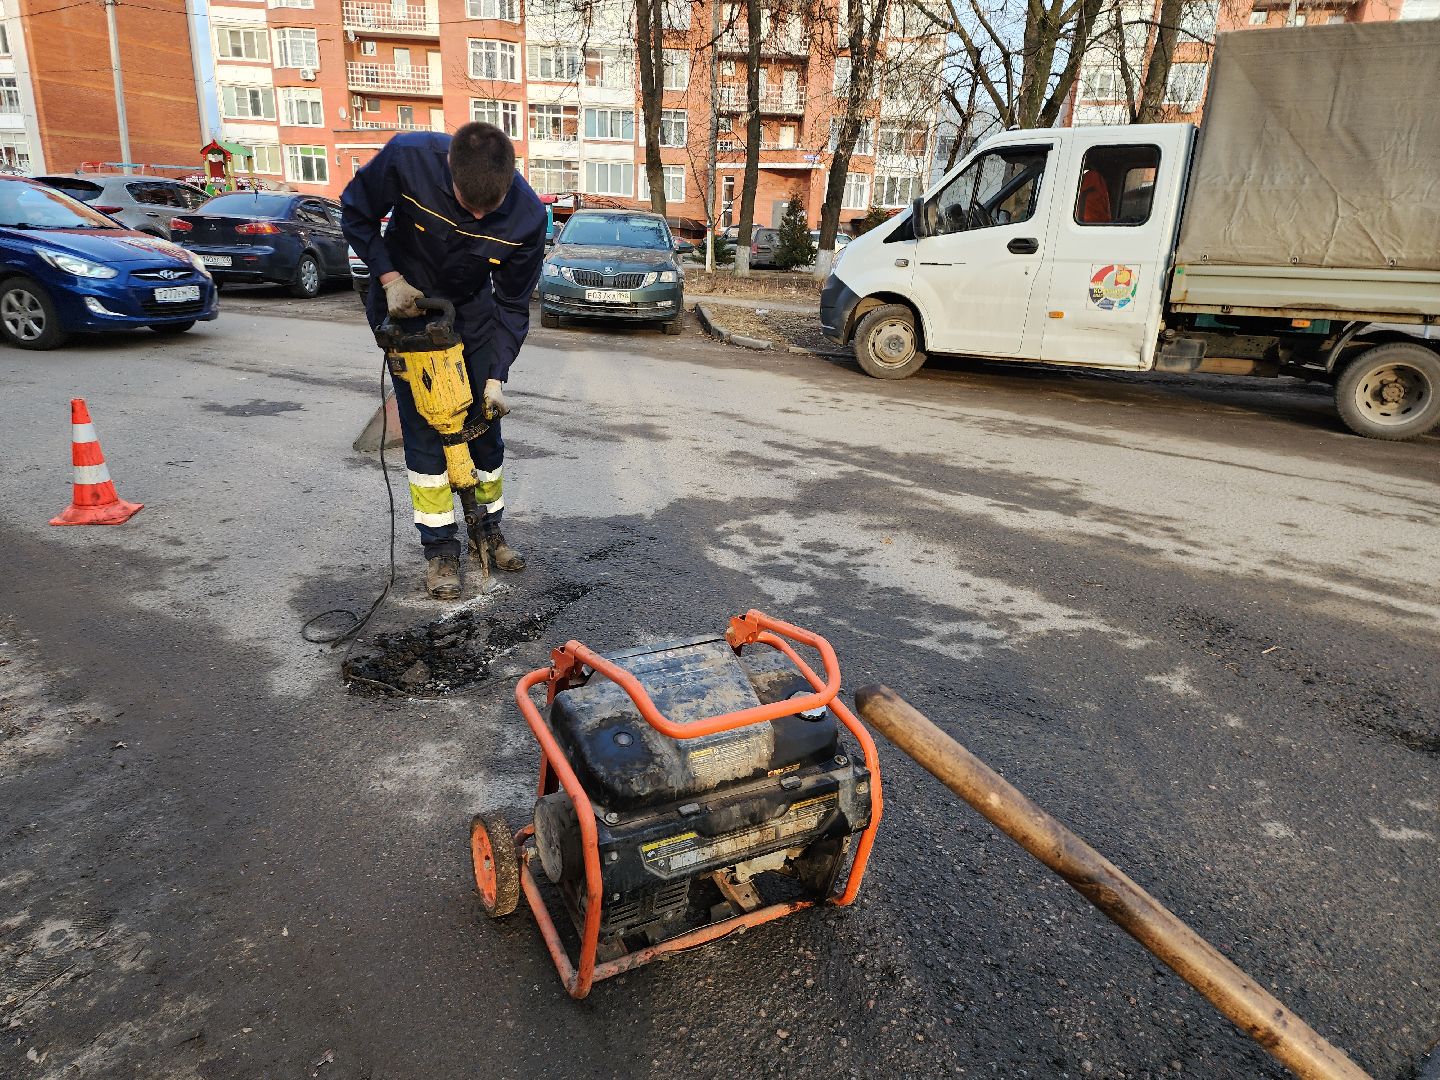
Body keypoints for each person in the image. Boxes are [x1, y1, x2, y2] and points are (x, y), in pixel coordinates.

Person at [341, 123, 547, 600]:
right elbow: (355, 213)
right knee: (426, 433)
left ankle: (488, 532)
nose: (476, 215)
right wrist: (389, 277)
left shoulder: (528, 218)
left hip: (471, 313)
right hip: (406, 306)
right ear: (449, 170)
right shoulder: (407, 157)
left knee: (484, 428)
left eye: (487, 210)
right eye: (466, 203)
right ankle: (440, 551)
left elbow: (514, 305)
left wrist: (498, 375)